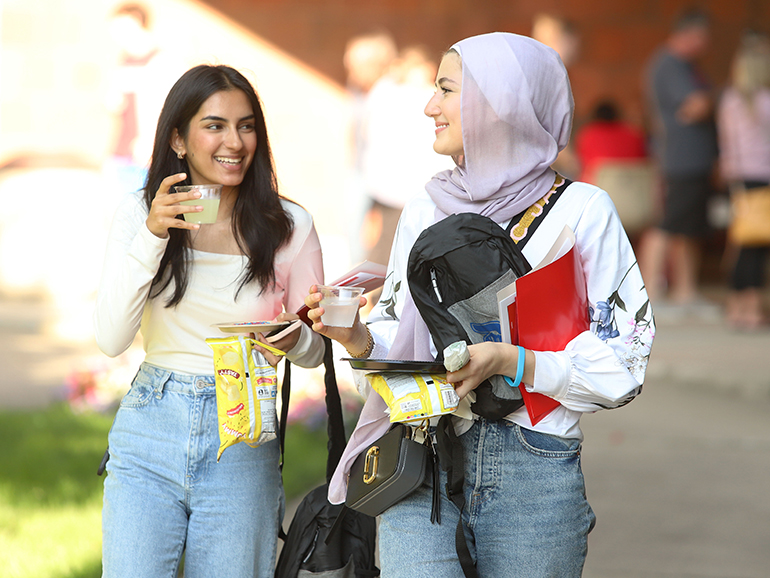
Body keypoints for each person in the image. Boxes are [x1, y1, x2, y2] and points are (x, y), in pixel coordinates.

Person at [304, 32, 655, 577]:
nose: (429, 107)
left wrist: (514, 361)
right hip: (421, 455)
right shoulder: (426, 208)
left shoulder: (582, 212)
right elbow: (395, 340)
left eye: (446, 90)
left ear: (501, 105)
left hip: (534, 466)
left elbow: (624, 365)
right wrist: (352, 335)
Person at [94, 64, 326, 576]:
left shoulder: (288, 225)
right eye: (214, 125)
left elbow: (315, 351)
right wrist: (154, 234)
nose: (235, 142)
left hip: (242, 429)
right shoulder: (139, 214)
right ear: (178, 138)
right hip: (151, 423)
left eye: (246, 126)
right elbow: (111, 338)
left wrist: (295, 336)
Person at [641, 8, 718, 307]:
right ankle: (649, 293)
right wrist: (712, 97)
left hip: (694, 160)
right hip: (680, 159)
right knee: (668, 224)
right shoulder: (668, 65)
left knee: (687, 228)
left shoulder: (687, 66)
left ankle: (685, 291)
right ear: (689, 33)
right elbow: (694, 106)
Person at [717, 31, 770, 330]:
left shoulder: (730, 100)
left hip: (736, 180)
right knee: (757, 245)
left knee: (741, 244)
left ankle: (738, 307)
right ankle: (752, 309)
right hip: (762, 178)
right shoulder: (764, 100)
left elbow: (726, 143)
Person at [575, 99, 647, 185]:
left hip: (598, 190)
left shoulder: (588, 135)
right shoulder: (635, 134)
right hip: (634, 191)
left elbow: (582, 165)